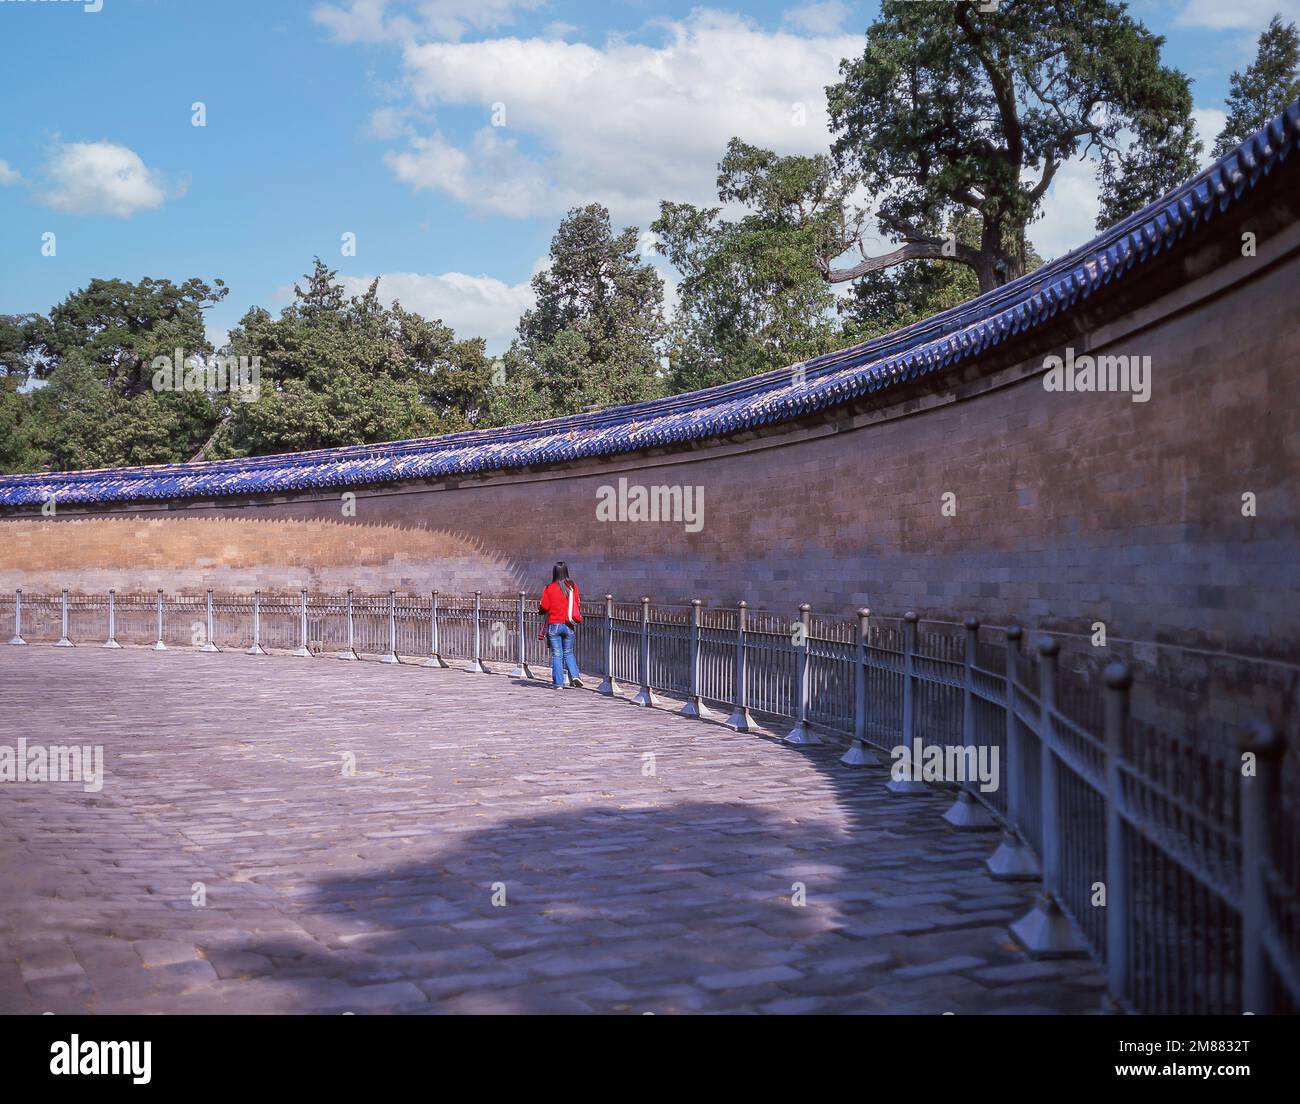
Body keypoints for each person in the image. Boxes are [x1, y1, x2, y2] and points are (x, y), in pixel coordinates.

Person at [538, 561, 583, 689]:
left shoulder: (549, 587)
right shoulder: (573, 586)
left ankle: (558, 683)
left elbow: (545, 606)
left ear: (554, 572)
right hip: (569, 624)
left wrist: (541, 609)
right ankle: (575, 675)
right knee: (568, 652)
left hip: (554, 625)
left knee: (557, 654)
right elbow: (577, 603)